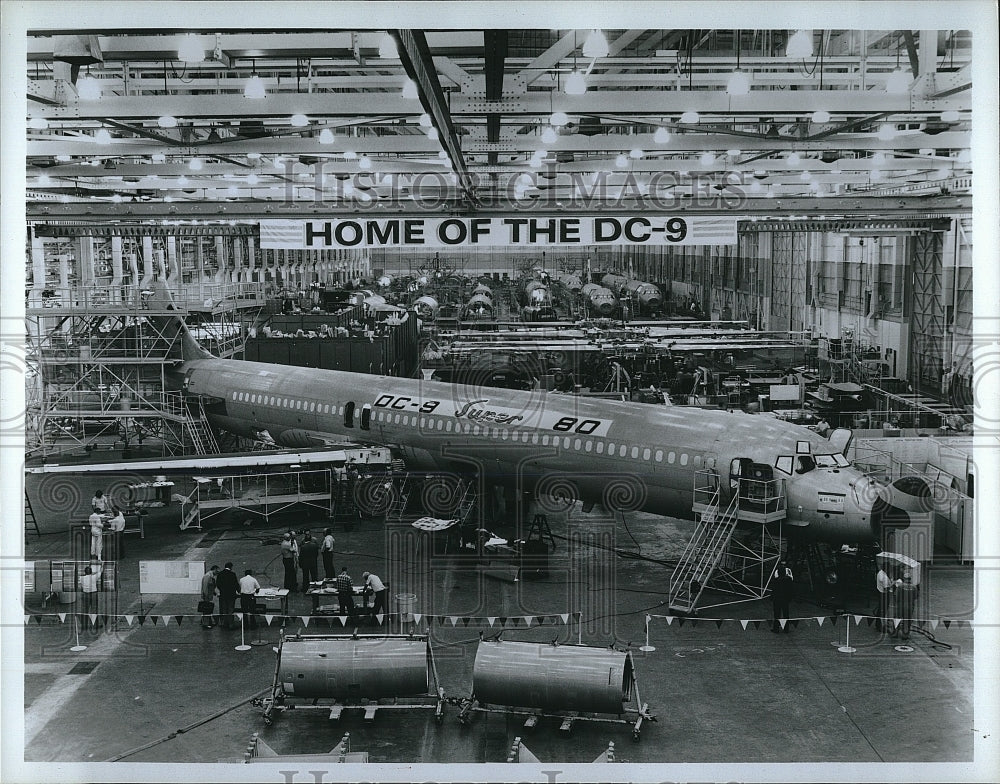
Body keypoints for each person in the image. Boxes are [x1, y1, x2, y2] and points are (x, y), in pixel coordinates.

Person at [770, 560, 794, 633]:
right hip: (785, 599)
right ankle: (786, 629)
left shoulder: (776, 581)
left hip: (777, 599)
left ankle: (776, 629)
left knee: (777, 614)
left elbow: (773, 589)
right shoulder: (788, 580)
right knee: (786, 613)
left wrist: (772, 597)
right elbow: (791, 589)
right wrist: (790, 598)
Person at [79, 563, 103, 630]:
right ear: (91, 572)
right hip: (93, 594)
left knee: (85, 610)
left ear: (85, 572)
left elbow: (80, 586)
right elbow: (101, 571)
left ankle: (84, 626)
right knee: (94, 610)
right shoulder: (94, 577)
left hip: (85, 594)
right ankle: (95, 625)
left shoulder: (81, 578)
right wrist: (102, 564)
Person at [215, 562, 239, 630]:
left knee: (224, 609)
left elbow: (218, 584)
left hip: (223, 595)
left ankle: (224, 623)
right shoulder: (232, 574)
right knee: (230, 609)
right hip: (231, 595)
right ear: (231, 567)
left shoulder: (220, 574)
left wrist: (222, 590)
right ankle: (231, 624)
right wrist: (238, 591)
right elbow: (236, 584)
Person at [895, 573, 919, 640]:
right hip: (910, 606)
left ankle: (895, 633)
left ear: (904, 578)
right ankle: (905, 635)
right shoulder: (914, 587)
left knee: (897, 619)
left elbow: (896, 596)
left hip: (900, 605)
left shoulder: (900, 586)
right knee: (907, 621)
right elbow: (916, 597)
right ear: (910, 579)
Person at [876, 565, 895, 634]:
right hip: (884, 594)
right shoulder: (884, 577)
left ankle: (878, 624)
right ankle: (880, 626)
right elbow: (886, 588)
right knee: (883, 610)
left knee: (880, 609)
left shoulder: (880, 572)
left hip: (879, 591)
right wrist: (892, 583)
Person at [200, 565, 219, 629]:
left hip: (209, 596)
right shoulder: (207, 576)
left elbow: (212, 587)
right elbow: (205, 587)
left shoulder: (211, 576)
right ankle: (206, 624)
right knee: (206, 610)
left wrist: (215, 593)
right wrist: (206, 596)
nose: (217, 572)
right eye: (217, 570)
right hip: (207, 596)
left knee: (208, 610)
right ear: (214, 569)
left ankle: (206, 622)